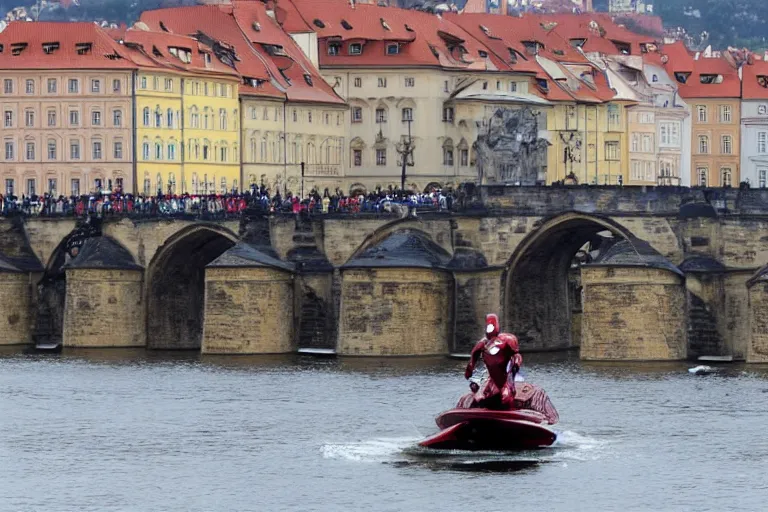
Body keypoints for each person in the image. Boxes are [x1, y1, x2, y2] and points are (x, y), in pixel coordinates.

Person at [464, 313, 523, 409]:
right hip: (492, 379)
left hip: (505, 378)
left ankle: (511, 411)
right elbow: (473, 359)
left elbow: (516, 355)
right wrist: (469, 371)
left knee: (506, 398)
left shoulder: (507, 340)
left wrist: (516, 363)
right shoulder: (482, 344)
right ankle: (481, 413)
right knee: (480, 398)